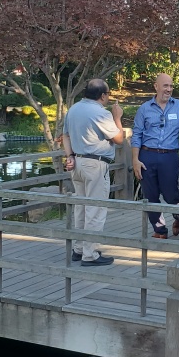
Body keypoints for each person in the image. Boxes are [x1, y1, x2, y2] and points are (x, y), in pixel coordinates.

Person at [62, 78, 124, 266]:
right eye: (107, 94)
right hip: (95, 165)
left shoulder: (73, 109)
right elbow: (119, 138)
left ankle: (79, 249)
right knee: (95, 209)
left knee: (81, 207)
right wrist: (117, 117)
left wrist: (70, 155)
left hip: (77, 161)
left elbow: (65, 135)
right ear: (103, 95)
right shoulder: (100, 113)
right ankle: (91, 254)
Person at [131, 73, 179, 239]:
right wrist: (135, 160)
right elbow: (136, 135)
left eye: (171, 86)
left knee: (171, 194)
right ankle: (159, 230)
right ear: (156, 86)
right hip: (147, 155)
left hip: (169, 156)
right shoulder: (144, 108)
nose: (169, 89)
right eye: (165, 86)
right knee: (150, 195)